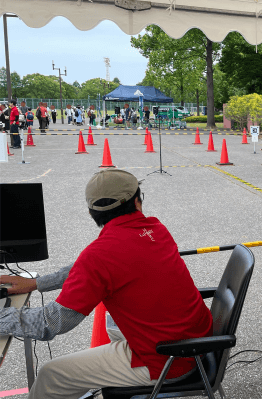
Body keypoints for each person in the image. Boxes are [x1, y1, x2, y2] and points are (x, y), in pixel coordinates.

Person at [0, 169, 213, 398]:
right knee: (108, 332)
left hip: (167, 359)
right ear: (137, 201)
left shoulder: (101, 254)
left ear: (92, 212)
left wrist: (5, 316)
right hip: (194, 340)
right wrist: (36, 283)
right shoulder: (155, 229)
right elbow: (89, 268)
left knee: (51, 374)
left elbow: (51, 323)